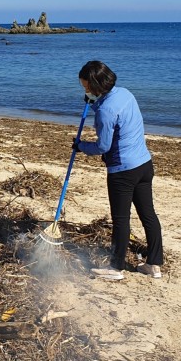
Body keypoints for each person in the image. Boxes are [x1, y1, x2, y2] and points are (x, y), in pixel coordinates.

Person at [74, 60, 164, 280]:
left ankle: (116, 268)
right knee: (148, 215)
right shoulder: (125, 94)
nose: (85, 90)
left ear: (96, 84)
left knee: (121, 219)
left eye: (86, 87)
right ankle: (154, 264)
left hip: (122, 171)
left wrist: (81, 146)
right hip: (144, 164)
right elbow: (110, 112)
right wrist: (93, 103)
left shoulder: (105, 111)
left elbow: (102, 146)